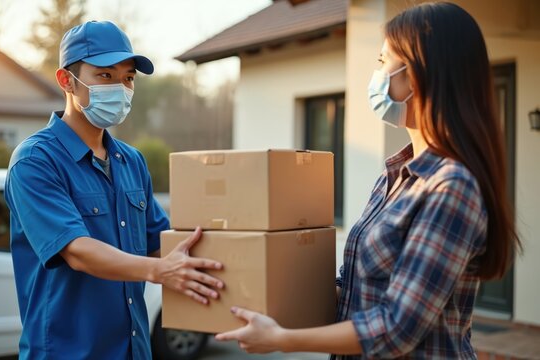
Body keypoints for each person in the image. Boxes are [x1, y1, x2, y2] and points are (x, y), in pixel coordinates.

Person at [214, 3, 521, 359]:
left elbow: (397, 328)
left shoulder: (451, 187)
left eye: (381, 62)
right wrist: (261, 286)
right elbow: (352, 292)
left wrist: (282, 339)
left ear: (418, 74)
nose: (374, 75)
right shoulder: (392, 178)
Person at [4, 21, 224, 359]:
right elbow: (76, 250)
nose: (120, 88)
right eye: (105, 76)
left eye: (128, 78)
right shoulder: (35, 161)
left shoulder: (131, 161)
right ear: (67, 81)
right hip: (67, 352)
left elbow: (158, 244)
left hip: (132, 350)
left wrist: (232, 251)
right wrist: (159, 271)